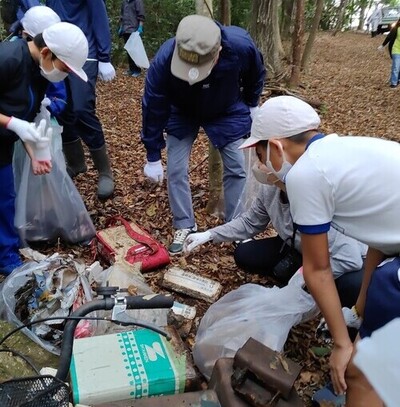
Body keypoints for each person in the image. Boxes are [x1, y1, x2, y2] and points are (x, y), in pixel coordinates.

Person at [239, 95, 400, 406]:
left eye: (260, 155)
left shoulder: (306, 174)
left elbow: (317, 269)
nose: (261, 165)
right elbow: (379, 240)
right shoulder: (345, 151)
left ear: (275, 146)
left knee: (360, 374)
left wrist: (341, 345)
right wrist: (359, 312)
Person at [141, 14, 266, 254]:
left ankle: (236, 225)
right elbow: (153, 104)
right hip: (181, 110)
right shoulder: (165, 58)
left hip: (225, 109)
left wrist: (252, 103)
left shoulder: (240, 45)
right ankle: (184, 224)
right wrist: (153, 154)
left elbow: (255, 73)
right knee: (176, 169)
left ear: (218, 50)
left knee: (238, 167)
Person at [185, 179, 366, 307]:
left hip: (341, 259)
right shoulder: (270, 188)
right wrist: (210, 235)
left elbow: (350, 258)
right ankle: (296, 282)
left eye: (263, 157)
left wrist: (304, 278)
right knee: (245, 254)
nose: (260, 166)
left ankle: (334, 306)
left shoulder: (317, 197)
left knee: (351, 285)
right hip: (296, 248)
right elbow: (250, 221)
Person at [0, 21, 88, 275]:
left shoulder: (39, 72)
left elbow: (25, 117)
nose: (65, 74)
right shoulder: (7, 59)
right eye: (65, 67)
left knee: (5, 199)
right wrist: (12, 123)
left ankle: (6, 256)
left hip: (2, 146)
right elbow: (17, 120)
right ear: (47, 52)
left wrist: (34, 149)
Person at [25, 0, 116, 200]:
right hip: (54, 51)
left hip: (84, 54)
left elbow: (98, 16)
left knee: (82, 109)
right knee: (62, 108)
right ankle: (76, 163)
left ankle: (104, 171)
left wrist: (105, 56)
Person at [20, 5, 67, 119]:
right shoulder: (12, 56)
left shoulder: (49, 61)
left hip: (39, 117)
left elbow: (60, 98)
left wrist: (49, 104)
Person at [119, 0, 145, 77]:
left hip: (134, 30)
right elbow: (122, 15)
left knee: (134, 51)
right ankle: (131, 69)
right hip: (125, 29)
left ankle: (137, 70)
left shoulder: (137, 1)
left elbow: (141, 15)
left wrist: (140, 27)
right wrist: (121, 27)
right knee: (128, 50)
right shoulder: (124, 2)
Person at [378, 18, 400, 88]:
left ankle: (397, 79)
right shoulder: (397, 28)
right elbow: (389, 37)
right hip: (396, 49)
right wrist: (382, 45)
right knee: (396, 66)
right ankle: (393, 83)